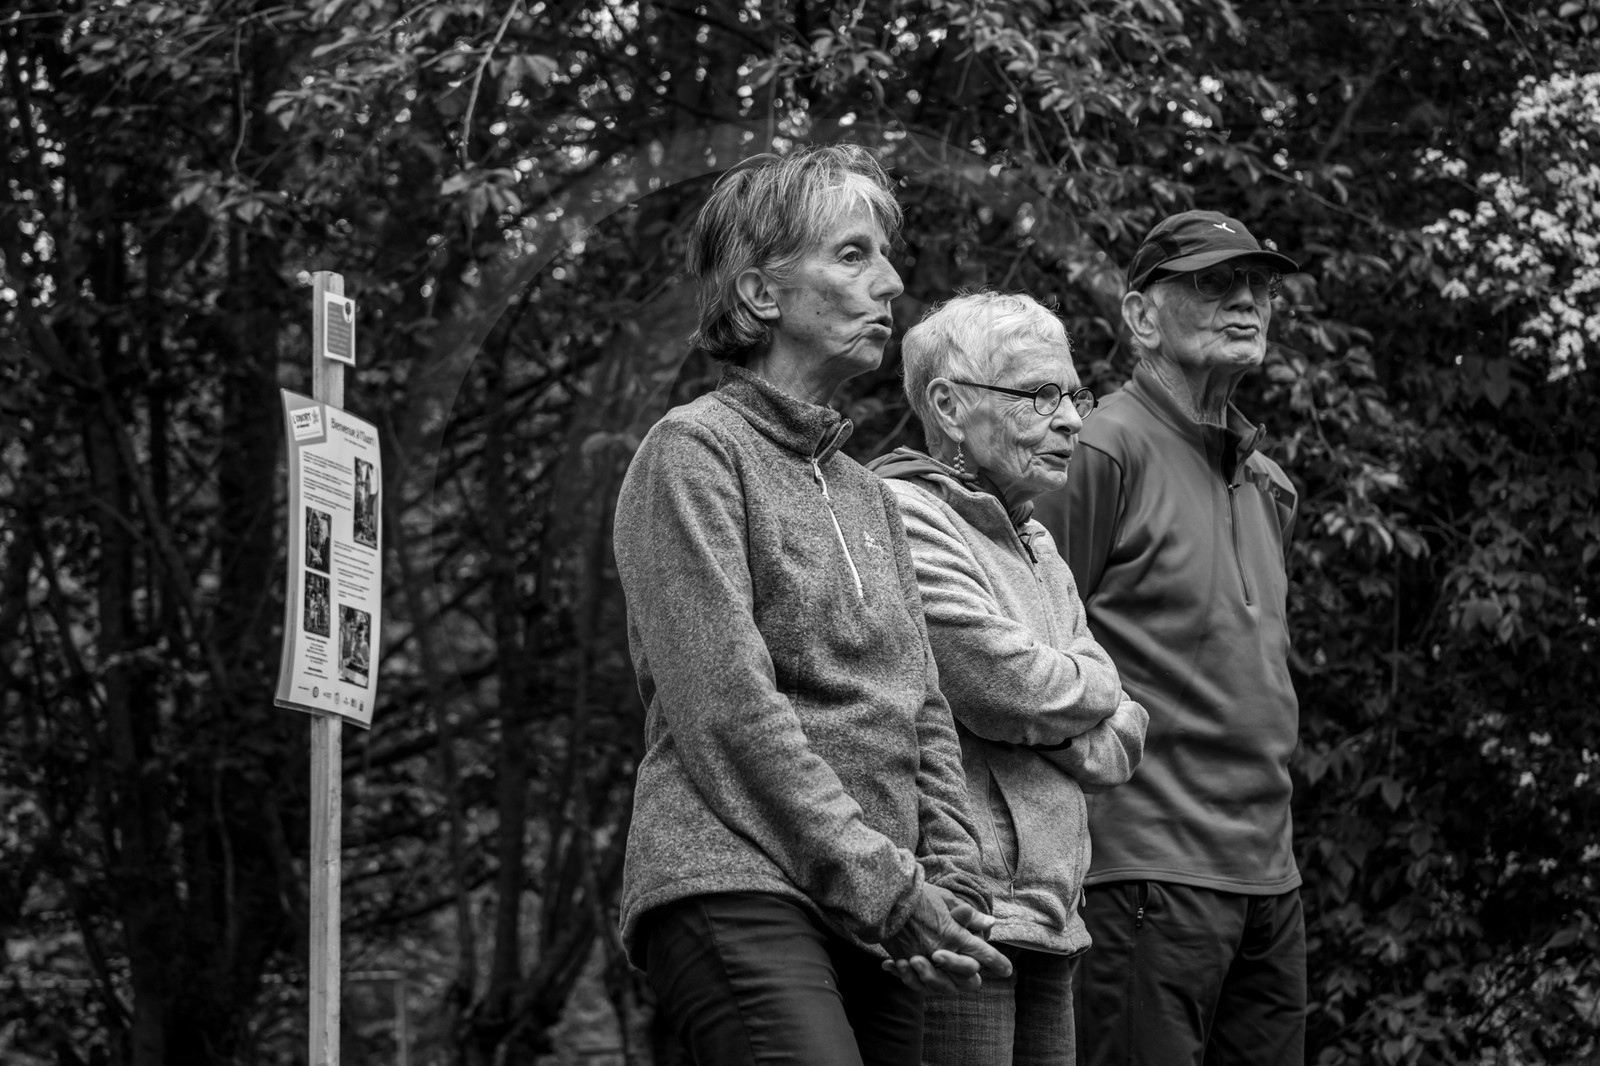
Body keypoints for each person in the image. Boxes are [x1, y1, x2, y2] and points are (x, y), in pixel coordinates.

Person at [611, 145, 1011, 1066]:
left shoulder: (869, 494)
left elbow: (925, 710)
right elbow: (729, 712)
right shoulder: (692, 455)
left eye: (885, 256)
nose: (891, 282)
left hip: (877, 904)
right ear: (760, 294)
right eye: (853, 254)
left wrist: (946, 877)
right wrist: (887, 887)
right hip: (735, 876)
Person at [1032, 209, 1306, 1064]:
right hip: (1141, 872)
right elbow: (1027, 646)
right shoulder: (1100, 449)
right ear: (1142, 316)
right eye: (1213, 282)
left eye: (1258, 285)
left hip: (1271, 880)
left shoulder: (1268, 484)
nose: (1246, 301)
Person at [868, 291, 1149, 1066]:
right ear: (950, 408)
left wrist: (1070, 697)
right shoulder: (903, 510)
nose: (1070, 419)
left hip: (1053, 914)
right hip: (961, 913)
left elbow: (1121, 741)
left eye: (1073, 395)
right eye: (1038, 395)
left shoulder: (1034, 536)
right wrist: (1086, 693)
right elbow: (1003, 685)